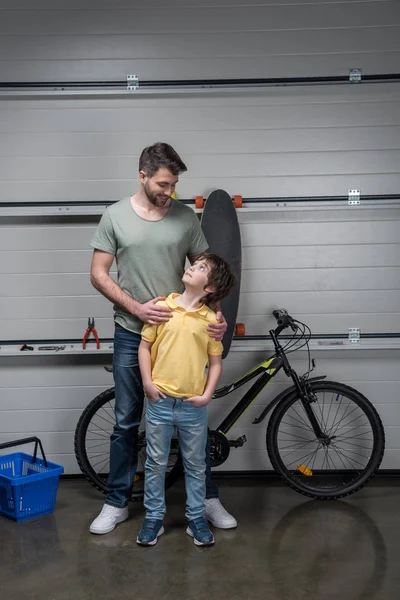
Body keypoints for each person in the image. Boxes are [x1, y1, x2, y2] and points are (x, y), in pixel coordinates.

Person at [89, 142, 237, 534]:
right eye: (163, 184)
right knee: (125, 422)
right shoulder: (115, 216)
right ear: (142, 175)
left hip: (182, 338)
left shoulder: (186, 219)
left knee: (193, 419)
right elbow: (99, 274)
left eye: (173, 185)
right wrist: (138, 309)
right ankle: (117, 502)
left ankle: (206, 500)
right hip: (131, 333)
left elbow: (211, 276)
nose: (169, 192)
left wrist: (218, 319)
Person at [136, 253, 236, 546]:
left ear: (210, 288)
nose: (192, 266)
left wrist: (207, 395)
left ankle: (196, 518)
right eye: (195, 264)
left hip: (193, 408)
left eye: (201, 267)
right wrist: (147, 383)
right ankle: (154, 518)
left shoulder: (210, 321)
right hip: (160, 402)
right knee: (155, 463)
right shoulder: (162, 308)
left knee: (195, 465)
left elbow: (215, 363)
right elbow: (144, 348)